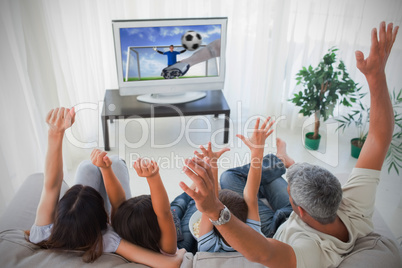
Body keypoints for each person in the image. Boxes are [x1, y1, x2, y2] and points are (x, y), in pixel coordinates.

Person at [179, 21, 399, 268]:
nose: (289, 188)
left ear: (301, 211)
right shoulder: (355, 204)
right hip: (295, 211)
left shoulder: (310, 251)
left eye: (291, 189)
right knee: (253, 182)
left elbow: (262, 254)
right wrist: (376, 76)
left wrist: (214, 209)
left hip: (278, 226)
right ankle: (281, 161)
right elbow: (379, 138)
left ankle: (279, 162)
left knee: (230, 178)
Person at [26, 107, 185, 267]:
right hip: (161, 225)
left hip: (143, 223)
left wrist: (55, 133)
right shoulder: (106, 239)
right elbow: (124, 206)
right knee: (114, 162)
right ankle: (111, 164)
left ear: (58, 216)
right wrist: (182, 253)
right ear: (105, 221)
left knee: (87, 168)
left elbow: (51, 186)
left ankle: (106, 165)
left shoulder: (42, 233)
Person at [196, 117, 276, 252]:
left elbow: (212, 203)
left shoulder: (207, 247)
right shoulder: (254, 236)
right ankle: (279, 159)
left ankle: (278, 160)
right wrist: (257, 151)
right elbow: (250, 196)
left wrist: (213, 166)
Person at [90, 149, 177, 256]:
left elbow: (117, 202)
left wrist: (105, 169)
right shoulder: (167, 250)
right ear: (157, 227)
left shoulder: (118, 233)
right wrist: (153, 177)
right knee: (183, 203)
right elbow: (164, 213)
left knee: (181, 203)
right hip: (180, 234)